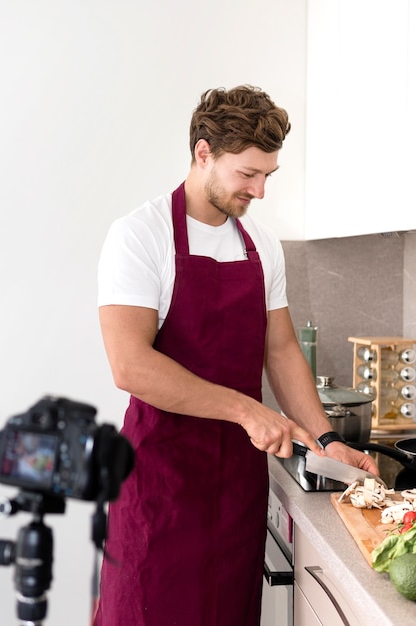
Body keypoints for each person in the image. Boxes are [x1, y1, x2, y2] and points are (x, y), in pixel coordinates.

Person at [94, 85, 378, 626]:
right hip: (160, 484)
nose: (261, 190)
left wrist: (328, 438)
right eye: (249, 174)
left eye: (268, 174)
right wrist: (248, 410)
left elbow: (282, 348)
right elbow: (129, 364)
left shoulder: (261, 246)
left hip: (236, 494)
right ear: (204, 153)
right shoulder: (140, 236)